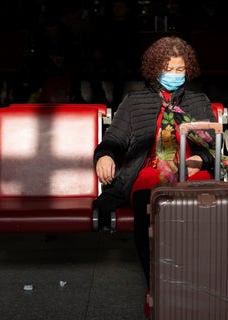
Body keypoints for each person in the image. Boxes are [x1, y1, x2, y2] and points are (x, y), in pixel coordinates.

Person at [92, 36, 217, 306]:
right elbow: (114, 140)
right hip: (150, 171)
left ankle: (198, 280)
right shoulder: (135, 101)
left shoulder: (197, 101)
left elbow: (213, 145)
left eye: (179, 69)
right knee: (146, 205)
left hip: (190, 170)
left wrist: (198, 159)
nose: (173, 75)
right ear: (154, 68)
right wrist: (104, 156)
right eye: (168, 69)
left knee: (205, 208)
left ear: (188, 70)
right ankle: (157, 284)